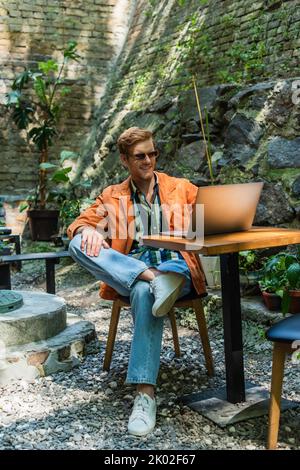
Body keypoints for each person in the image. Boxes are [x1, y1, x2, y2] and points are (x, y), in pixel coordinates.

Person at [67, 127, 206, 436]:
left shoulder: (181, 188)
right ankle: (149, 278)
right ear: (125, 160)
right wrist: (86, 230)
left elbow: (212, 217)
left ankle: (145, 395)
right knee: (79, 246)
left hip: (175, 268)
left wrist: (209, 222)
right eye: (140, 156)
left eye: (153, 154)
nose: (148, 160)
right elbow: (80, 223)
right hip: (133, 267)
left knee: (144, 292)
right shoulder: (112, 195)